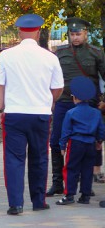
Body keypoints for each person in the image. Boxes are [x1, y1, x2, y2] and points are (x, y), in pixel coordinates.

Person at [0, 14, 64, 215]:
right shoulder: (50, 57)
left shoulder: (5, 56)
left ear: (19, 32)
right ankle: (38, 201)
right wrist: (48, 102)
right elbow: (58, 87)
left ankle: (15, 204)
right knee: (39, 157)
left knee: (14, 159)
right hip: (40, 114)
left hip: (14, 114)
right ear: (39, 32)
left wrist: (0, 109)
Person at [47, 17, 105, 196]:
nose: (75, 38)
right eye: (72, 34)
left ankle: (85, 185)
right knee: (56, 140)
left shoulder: (97, 53)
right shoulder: (60, 52)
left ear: (86, 34)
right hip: (64, 101)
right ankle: (58, 182)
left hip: (89, 103)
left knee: (89, 141)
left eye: (78, 34)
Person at [56, 76, 105, 205]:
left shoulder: (71, 112)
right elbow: (101, 130)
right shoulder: (96, 113)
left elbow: (65, 131)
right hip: (91, 144)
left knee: (71, 168)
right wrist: (99, 142)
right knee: (87, 169)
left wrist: (62, 146)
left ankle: (69, 195)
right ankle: (85, 195)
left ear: (75, 97)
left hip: (76, 143)